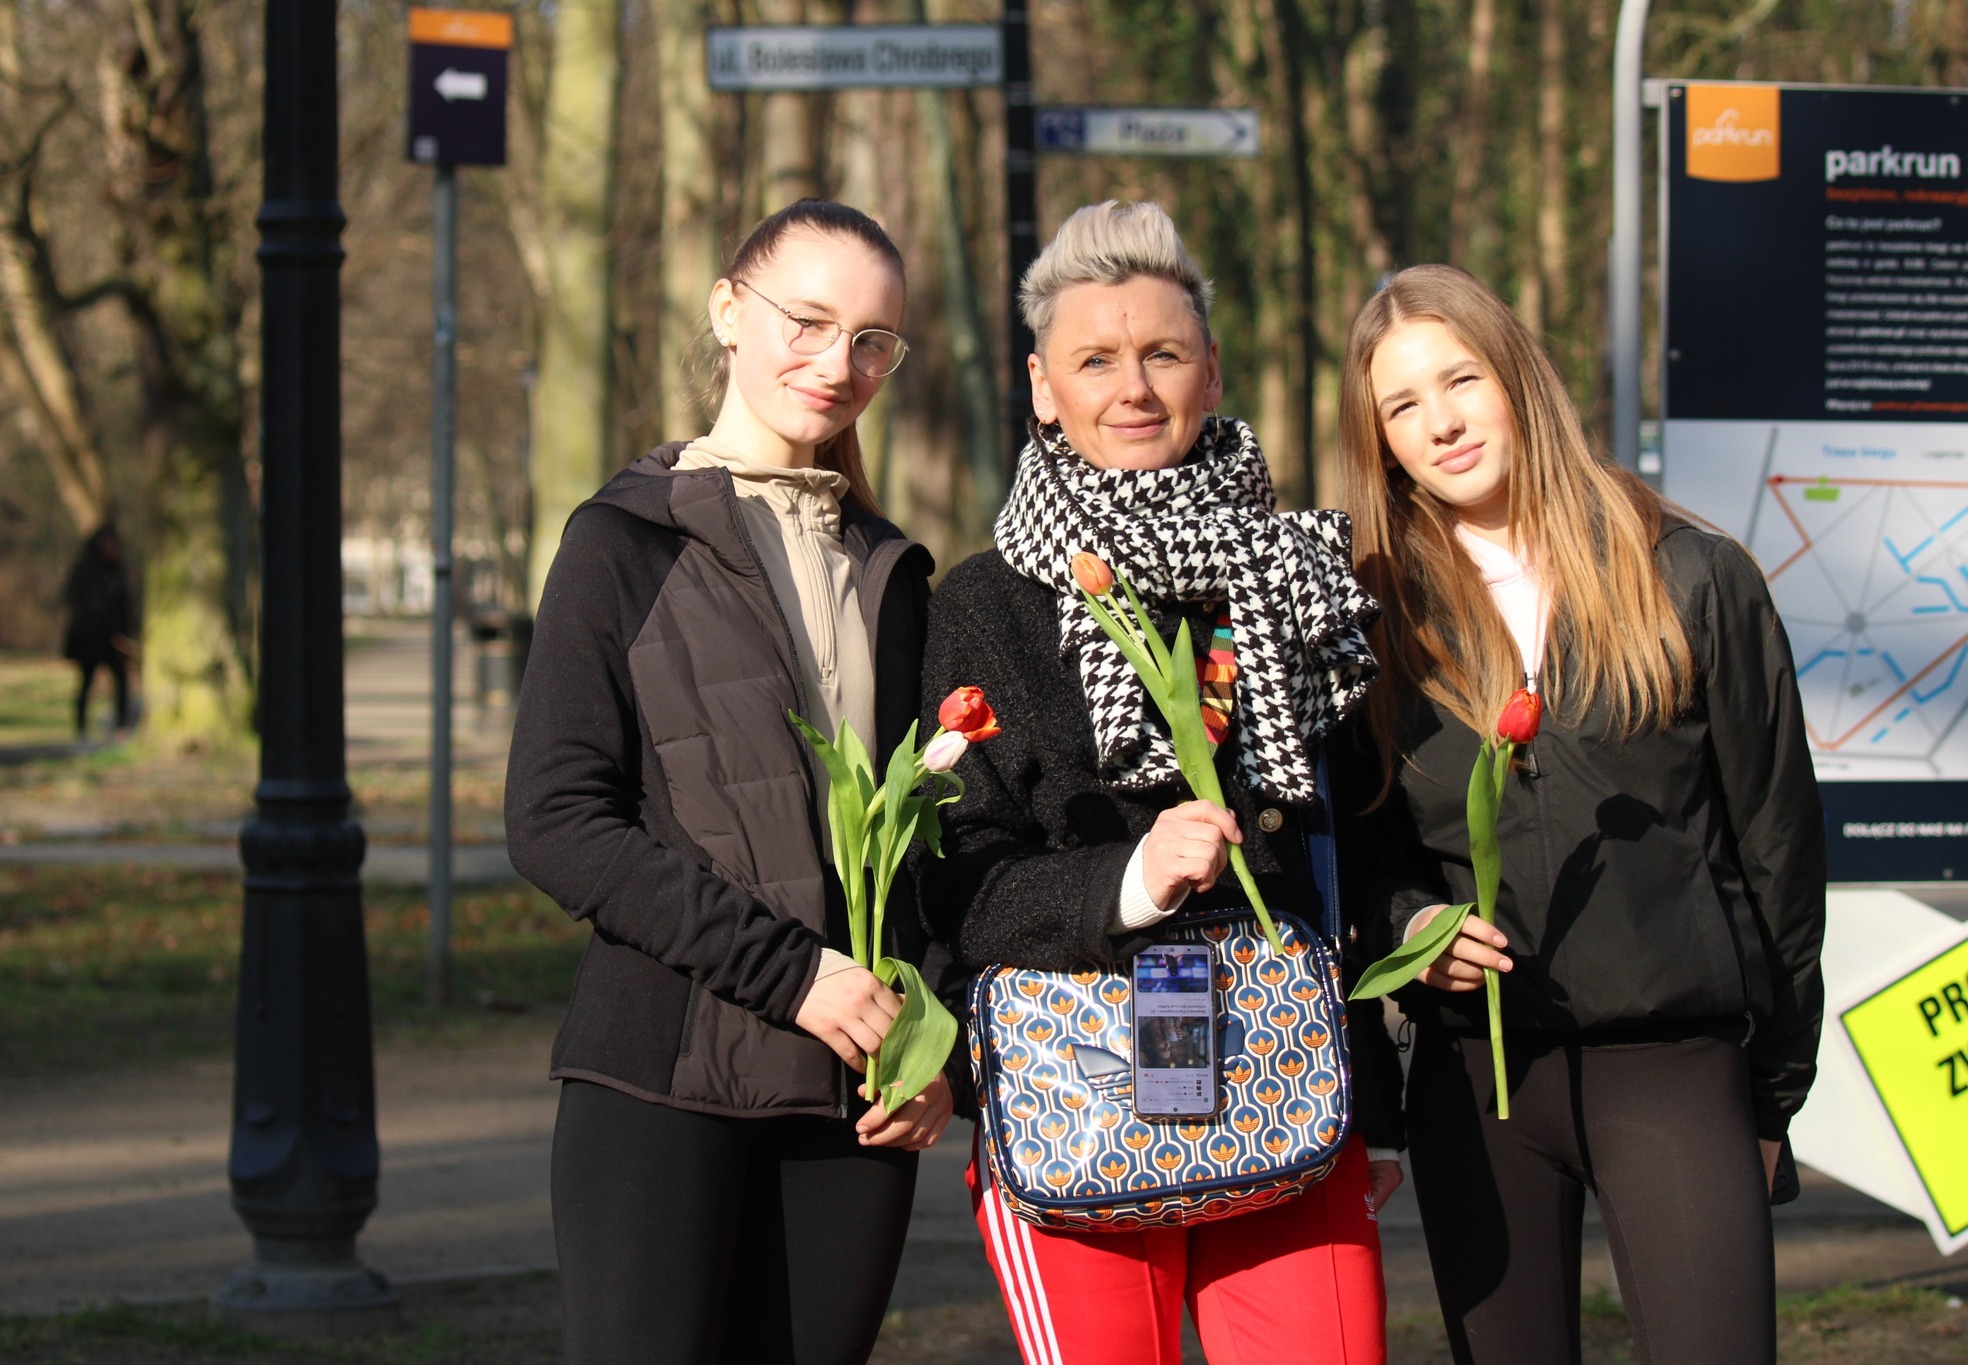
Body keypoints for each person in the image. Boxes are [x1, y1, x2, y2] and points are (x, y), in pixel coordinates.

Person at [918, 200, 1405, 1365]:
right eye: (1095, 359)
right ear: (1043, 387)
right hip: (1071, 1094)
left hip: (1288, 1082)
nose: (1131, 387)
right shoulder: (982, 606)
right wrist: (1128, 879)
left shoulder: (1295, 576)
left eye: (1162, 353)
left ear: (1209, 370)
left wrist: (1374, 1104)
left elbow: (1351, 845)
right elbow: (955, 892)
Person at [505, 199, 965, 1365]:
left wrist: (933, 1048)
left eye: (872, 340)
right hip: (658, 1081)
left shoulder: (893, 570)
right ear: (726, 310)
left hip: (853, 1101)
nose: (837, 363)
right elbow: (555, 821)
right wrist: (789, 973)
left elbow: (932, 854)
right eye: (806, 321)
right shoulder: (623, 541)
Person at [1338, 264, 1824, 1365]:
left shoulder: (1693, 579)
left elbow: (1779, 853)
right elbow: (1364, 859)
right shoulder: (1372, 621)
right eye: (1401, 405)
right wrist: (1417, 931)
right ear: (1379, 439)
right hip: (1478, 1080)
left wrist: (1770, 1096)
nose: (1441, 422)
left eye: (1458, 380)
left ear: (1517, 375)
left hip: (1675, 1069)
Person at [61, 523, 136, 738]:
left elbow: (124, 604)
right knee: (86, 681)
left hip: (114, 638)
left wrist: (125, 632)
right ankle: (81, 726)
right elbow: (75, 602)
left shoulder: (116, 570)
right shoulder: (84, 570)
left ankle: (122, 724)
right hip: (89, 638)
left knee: (121, 680)